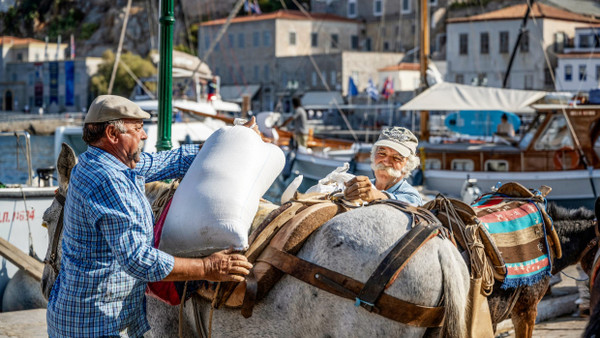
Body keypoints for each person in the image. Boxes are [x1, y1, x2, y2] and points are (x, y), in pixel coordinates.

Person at [46, 95, 253, 337]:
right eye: (138, 129)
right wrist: (209, 267)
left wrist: (228, 142)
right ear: (113, 134)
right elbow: (138, 260)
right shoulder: (107, 180)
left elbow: (165, 161)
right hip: (91, 326)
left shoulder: (97, 163)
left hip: (82, 317)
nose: (144, 136)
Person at [344, 126, 423, 206]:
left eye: (396, 158)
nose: (386, 162)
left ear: (408, 165)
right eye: (382, 153)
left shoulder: (412, 195)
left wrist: (376, 196)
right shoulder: (362, 188)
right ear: (374, 156)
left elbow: (411, 206)